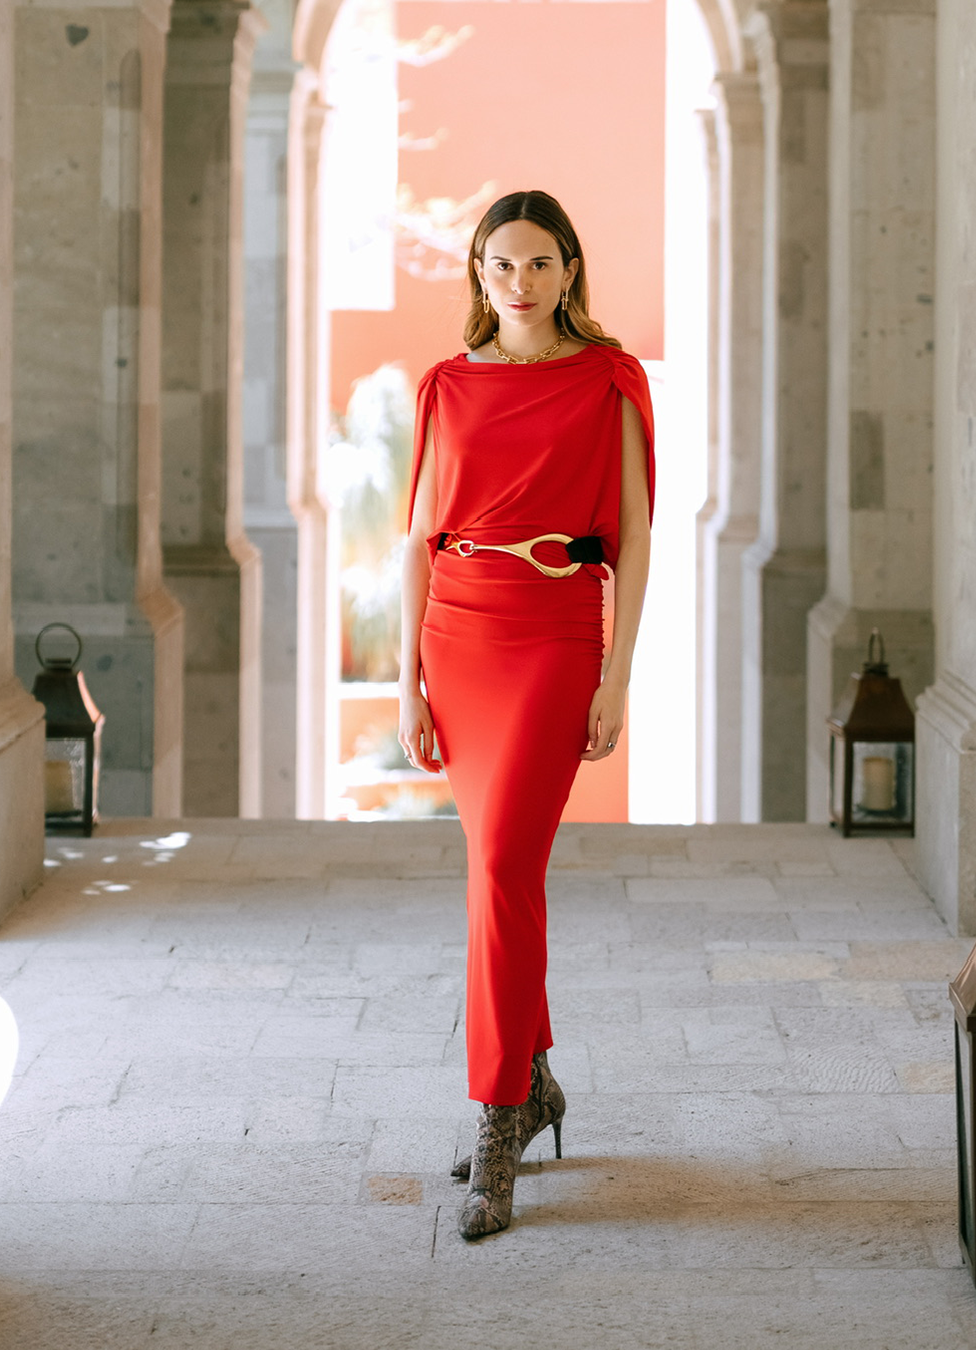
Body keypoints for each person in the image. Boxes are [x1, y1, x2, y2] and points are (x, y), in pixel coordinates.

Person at [398, 189, 654, 1240]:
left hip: (554, 631)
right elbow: (416, 536)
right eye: (502, 264)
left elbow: (633, 538)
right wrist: (405, 679)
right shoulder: (444, 386)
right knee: (503, 875)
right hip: (457, 635)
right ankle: (533, 1083)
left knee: (501, 867)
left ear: (570, 272)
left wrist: (618, 675)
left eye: (541, 262)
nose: (521, 280)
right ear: (477, 274)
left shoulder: (608, 379)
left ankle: (498, 1116)